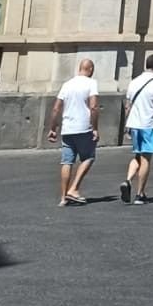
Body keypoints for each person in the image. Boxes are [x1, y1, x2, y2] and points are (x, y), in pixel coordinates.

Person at [47, 57, 99, 207]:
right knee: (88, 157)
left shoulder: (67, 84)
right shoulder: (91, 83)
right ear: (90, 70)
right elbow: (94, 106)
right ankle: (74, 189)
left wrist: (52, 128)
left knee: (67, 162)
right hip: (83, 127)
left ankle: (63, 198)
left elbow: (56, 107)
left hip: (67, 128)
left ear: (79, 69)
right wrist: (95, 128)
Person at [120, 53, 153, 204]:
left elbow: (127, 107)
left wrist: (126, 126)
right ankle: (140, 193)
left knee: (137, 155)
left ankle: (128, 180)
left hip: (134, 124)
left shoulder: (134, 82)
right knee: (146, 159)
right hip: (148, 124)